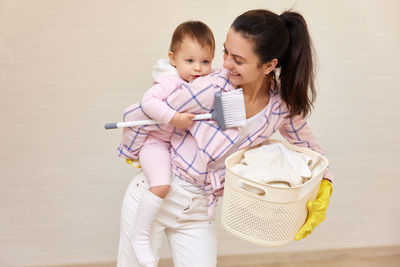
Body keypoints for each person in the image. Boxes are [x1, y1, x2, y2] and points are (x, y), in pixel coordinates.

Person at [117, 9, 333, 267]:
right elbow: (142, 114)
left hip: (199, 210)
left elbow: (310, 148)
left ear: (268, 65)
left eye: (238, 60)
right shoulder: (211, 86)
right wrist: (134, 151)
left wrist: (324, 185)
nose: (226, 64)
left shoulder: (280, 107)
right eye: (226, 53)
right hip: (154, 196)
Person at [117, 21, 215, 267]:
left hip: (173, 153)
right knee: (161, 185)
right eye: (190, 61)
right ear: (173, 58)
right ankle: (140, 236)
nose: (198, 68)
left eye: (205, 61)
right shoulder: (169, 81)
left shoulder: (202, 83)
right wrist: (175, 118)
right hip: (155, 144)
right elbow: (148, 103)